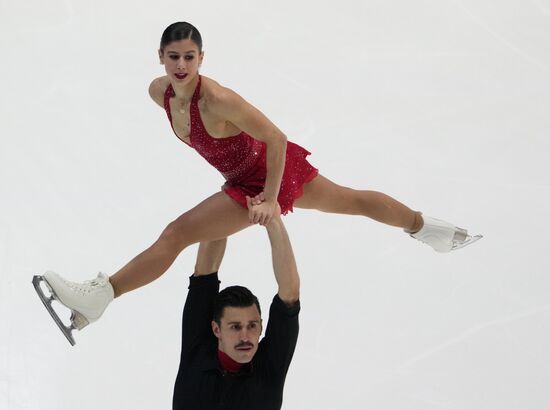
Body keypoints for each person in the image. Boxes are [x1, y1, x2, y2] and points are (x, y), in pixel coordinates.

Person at [32, 21, 481, 345]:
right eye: (174, 57)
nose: (182, 64)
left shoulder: (219, 100)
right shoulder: (160, 93)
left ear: (202, 58)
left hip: (265, 176)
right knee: (349, 201)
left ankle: (100, 294)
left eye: (190, 56)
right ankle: (432, 230)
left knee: (178, 233)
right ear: (162, 59)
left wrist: (268, 195)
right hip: (239, 176)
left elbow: (276, 137)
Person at [172, 202, 299, 410]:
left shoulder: (269, 364)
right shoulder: (198, 350)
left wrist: (273, 220)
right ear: (216, 329)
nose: (245, 336)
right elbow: (206, 269)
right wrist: (230, 200)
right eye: (235, 326)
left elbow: (290, 293)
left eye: (252, 326)